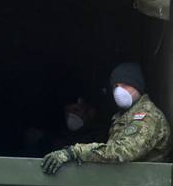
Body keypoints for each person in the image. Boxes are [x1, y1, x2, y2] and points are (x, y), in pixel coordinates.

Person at [42, 63, 170, 174]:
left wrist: (75, 152)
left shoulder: (147, 116)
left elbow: (122, 151)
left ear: (137, 86)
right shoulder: (123, 116)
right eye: (116, 86)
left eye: (125, 85)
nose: (119, 91)